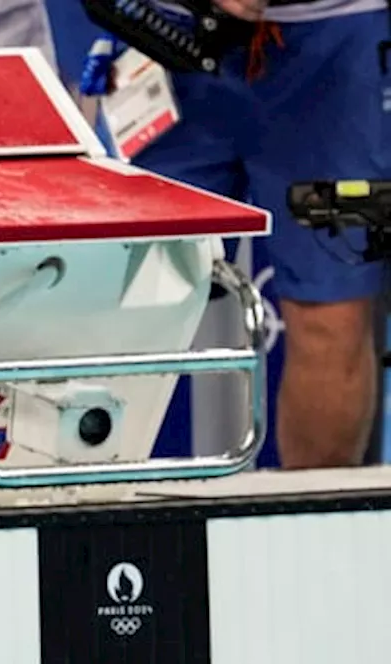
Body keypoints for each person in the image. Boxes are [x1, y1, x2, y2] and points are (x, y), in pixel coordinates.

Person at [124, 0, 389, 468]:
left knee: (331, 318)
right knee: (108, 301)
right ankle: (85, 523)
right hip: (158, 37)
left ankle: (314, 530)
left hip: (334, 47)